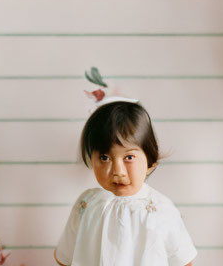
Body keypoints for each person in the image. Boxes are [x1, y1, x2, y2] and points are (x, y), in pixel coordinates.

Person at [55, 99, 196, 266]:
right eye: (104, 158)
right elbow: (65, 257)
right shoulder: (86, 204)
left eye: (129, 157)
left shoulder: (161, 209)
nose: (118, 171)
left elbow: (183, 260)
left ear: (151, 160)